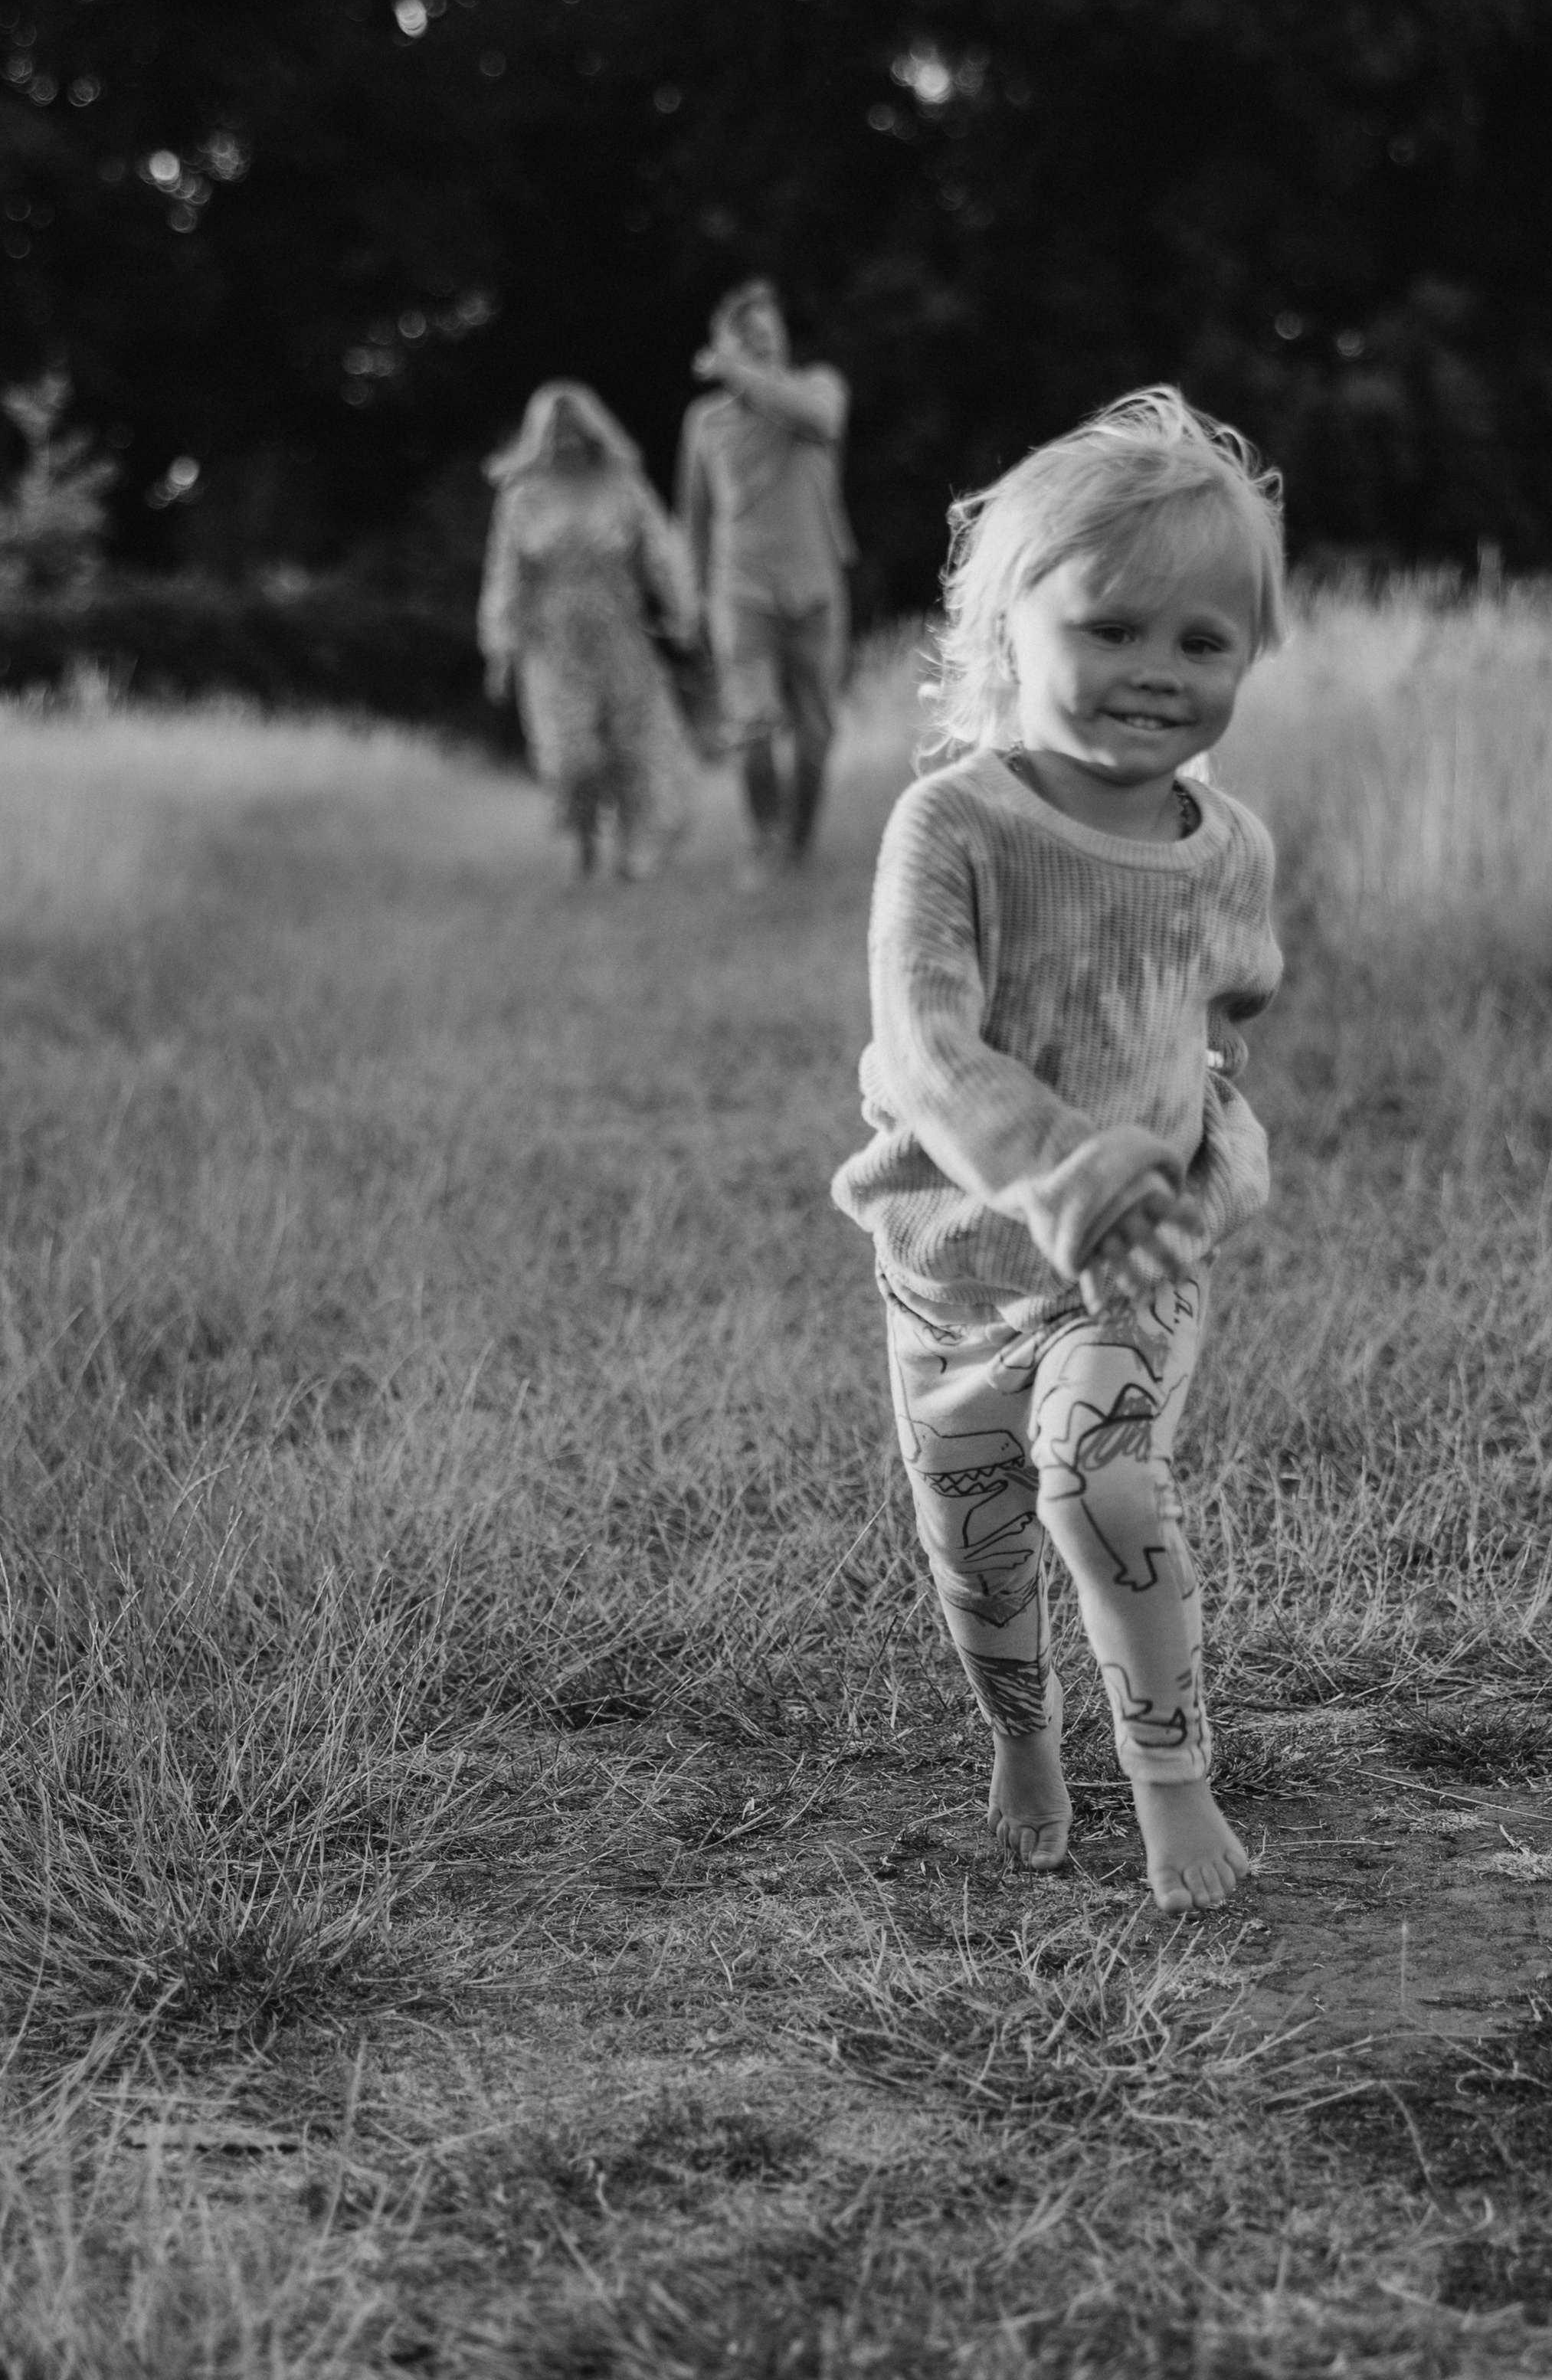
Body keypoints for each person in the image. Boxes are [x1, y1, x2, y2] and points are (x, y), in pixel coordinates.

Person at [830, 388, 1287, 1915]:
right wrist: (1065, 1169)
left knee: (1098, 1489)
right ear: (1001, 632)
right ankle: (1024, 1745)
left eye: (1199, 642)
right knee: (975, 1544)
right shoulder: (948, 825)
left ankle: (1172, 1790)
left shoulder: (1226, 849)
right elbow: (927, 1052)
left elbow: (1222, 1021)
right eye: (1108, 628)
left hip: (1128, 1263)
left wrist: (1188, 1160)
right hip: (957, 1269)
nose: (1152, 672)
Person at [480, 381, 699, 881]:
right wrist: (500, 647)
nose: (568, 444)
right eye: (557, 436)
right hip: (551, 644)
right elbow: (505, 574)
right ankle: (582, 838)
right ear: (539, 439)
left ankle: (633, 849)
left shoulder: (622, 484)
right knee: (571, 755)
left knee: (631, 747)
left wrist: (683, 611)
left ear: (595, 433)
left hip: (619, 633)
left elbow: (660, 552)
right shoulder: (522, 496)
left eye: (577, 433)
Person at [676, 279, 855, 882]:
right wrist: (691, 597)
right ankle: (764, 839)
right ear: (720, 342)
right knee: (750, 722)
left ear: (782, 337)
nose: (755, 340)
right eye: (740, 334)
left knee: (816, 737)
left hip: (815, 591)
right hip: (740, 590)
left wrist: (735, 368)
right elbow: (694, 517)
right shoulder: (705, 423)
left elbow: (820, 419)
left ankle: (799, 843)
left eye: (764, 330)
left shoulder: (818, 389)